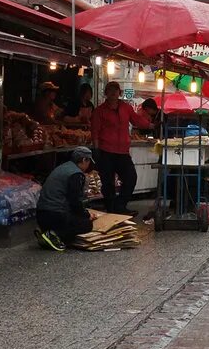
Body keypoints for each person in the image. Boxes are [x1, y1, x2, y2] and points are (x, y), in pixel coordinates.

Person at [89, 81, 152, 214]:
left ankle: (120, 206)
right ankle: (111, 208)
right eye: (110, 90)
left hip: (122, 152)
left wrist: (150, 125)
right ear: (106, 93)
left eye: (115, 90)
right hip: (106, 150)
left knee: (131, 178)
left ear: (119, 92)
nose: (113, 93)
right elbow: (95, 131)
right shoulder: (99, 111)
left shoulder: (126, 108)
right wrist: (96, 150)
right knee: (108, 182)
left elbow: (136, 120)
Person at [35, 146, 95, 250]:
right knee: (86, 225)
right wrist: (86, 215)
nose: (89, 165)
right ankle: (54, 234)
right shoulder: (76, 174)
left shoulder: (63, 167)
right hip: (55, 214)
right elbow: (75, 201)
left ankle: (46, 231)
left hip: (42, 214)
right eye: (88, 161)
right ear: (84, 160)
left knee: (75, 219)